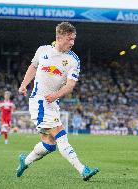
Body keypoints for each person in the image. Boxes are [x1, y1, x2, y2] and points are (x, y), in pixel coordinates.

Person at [16, 22, 99, 181]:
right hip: (39, 102)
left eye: (74, 39)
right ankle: (83, 170)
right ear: (59, 37)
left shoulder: (74, 60)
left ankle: (24, 161)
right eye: (69, 39)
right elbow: (33, 67)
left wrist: (56, 95)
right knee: (61, 135)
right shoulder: (43, 50)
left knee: (49, 144)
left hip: (53, 103)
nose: (72, 43)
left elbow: (70, 85)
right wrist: (24, 84)